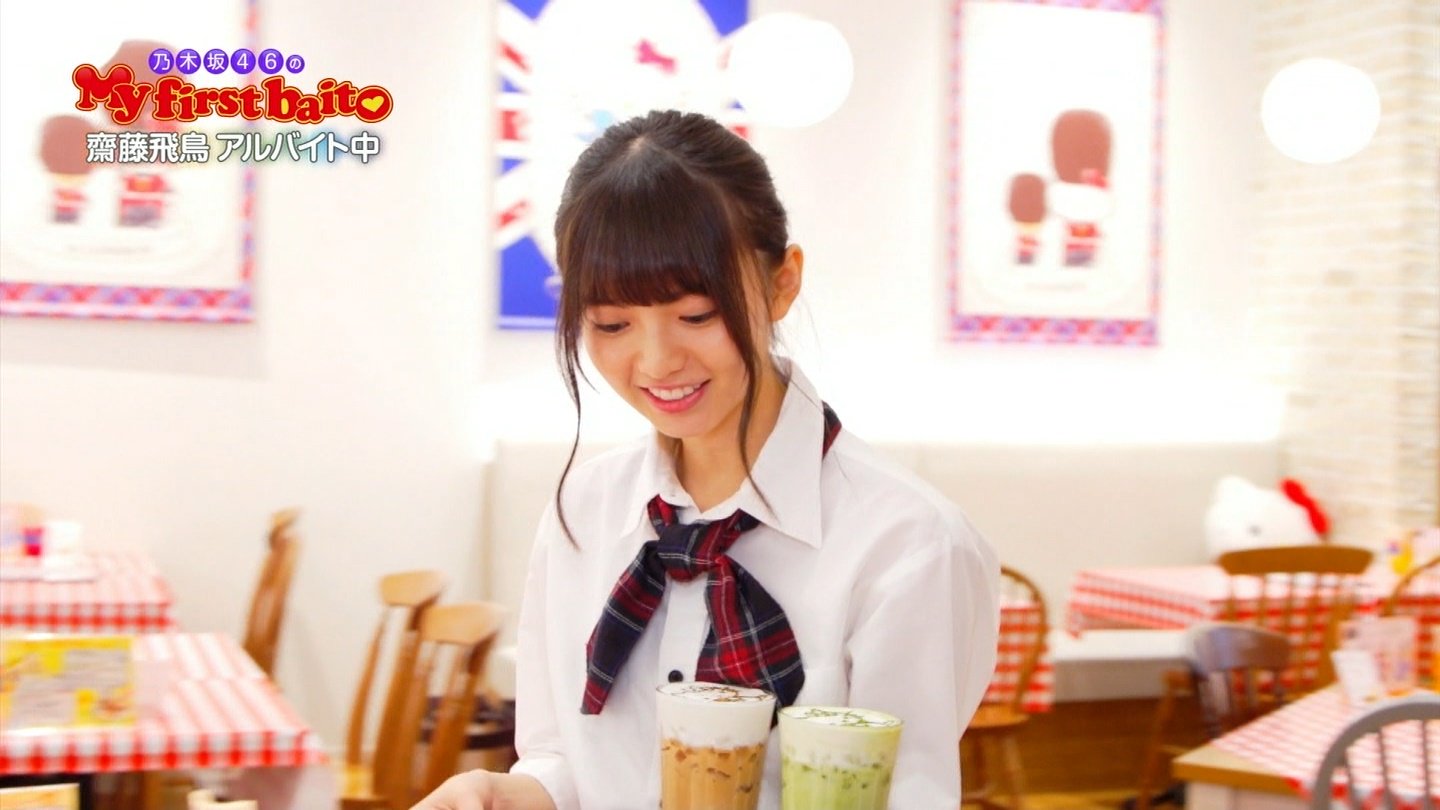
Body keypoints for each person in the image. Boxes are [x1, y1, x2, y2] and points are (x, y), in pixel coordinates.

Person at [413, 109, 999, 810]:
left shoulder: (908, 545)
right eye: (611, 324)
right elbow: (568, 760)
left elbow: (903, 797)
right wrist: (505, 794)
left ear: (782, 283)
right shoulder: (583, 512)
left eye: (696, 315)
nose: (657, 360)